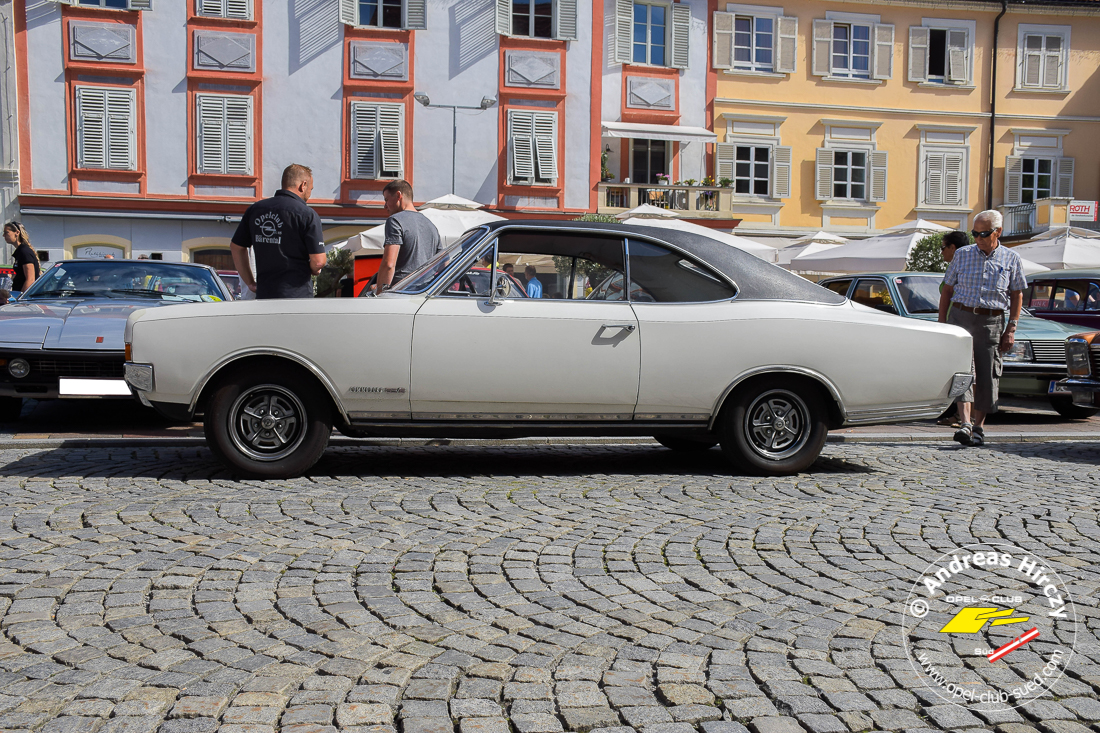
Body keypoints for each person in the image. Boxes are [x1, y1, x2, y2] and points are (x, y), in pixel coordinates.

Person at [938, 210, 1026, 448]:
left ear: (998, 232)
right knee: (962, 370)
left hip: (991, 320)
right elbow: (947, 289)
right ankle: (965, 423)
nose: (977, 238)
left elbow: (1017, 294)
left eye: (983, 233)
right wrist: (942, 323)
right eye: (974, 233)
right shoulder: (963, 255)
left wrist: (1011, 328)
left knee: (987, 374)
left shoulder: (1011, 258)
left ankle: (978, 427)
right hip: (961, 315)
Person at [231, 164, 326, 299]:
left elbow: (236, 247)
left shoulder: (255, 210)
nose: (309, 194)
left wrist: (250, 283)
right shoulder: (307, 214)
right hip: (297, 295)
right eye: (310, 189)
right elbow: (318, 261)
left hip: (265, 294)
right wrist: (313, 269)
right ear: (303, 185)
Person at [373, 180, 442, 292]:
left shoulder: (395, 221)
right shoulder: (431, 225)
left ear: (398, 195)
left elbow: (389, 264)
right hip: (425, 292)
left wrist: (380, 292)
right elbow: (444, 264)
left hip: (401, 291)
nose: (385, 206)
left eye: (386, 200)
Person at [4, 222, 39, 293]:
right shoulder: (20, 251)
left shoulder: (24, 252)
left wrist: (20, 299)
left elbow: (30, 279)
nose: (3, 235)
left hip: (25, 298)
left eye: (6, 233)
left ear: (17, 233)